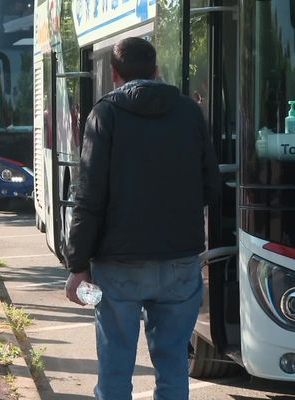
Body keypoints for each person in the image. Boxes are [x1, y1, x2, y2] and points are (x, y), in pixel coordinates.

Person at [64, 37, 221, 400]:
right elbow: (211, 185)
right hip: (180, 261)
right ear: (156, 70)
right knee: (173, 367)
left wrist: (78, 264)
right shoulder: (188, 112)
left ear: (115, 75)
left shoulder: (105, 114)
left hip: (117, 266)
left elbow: (88, 196)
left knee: (116, 367)